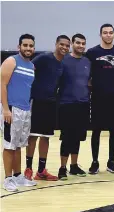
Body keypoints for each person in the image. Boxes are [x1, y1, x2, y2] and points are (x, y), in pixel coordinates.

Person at [24, 35, 70, 181]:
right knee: (33, 136)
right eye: (61, 44)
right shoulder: (44, 58)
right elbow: (29, 70)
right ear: (56, 44)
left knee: (46, 137)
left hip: (51, 104)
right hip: (37, 102)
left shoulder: (63, 64)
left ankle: (41, 170)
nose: (64, 47)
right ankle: (28, 169)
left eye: (67, 46)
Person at [85, 24, 114, 174]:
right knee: (96, 131)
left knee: (113, 131)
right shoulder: (91, 52)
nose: (108, 35)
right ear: (100, 34)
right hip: (97, 98)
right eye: (105, 33)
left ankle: (111, 161)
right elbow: (87, 75)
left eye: (110, 33)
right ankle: (95, 161)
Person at [1, 34, 37, 192]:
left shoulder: (31, 66)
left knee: (19, 145)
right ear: (19, 47)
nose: (28, 48)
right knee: (10, 145)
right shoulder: (11, 61)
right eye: (25, 45)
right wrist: (6, 109)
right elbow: (2, 85)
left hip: (25, 110)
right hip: (12, 109)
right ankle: (8, 179)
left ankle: (17, 176)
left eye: (31, 46)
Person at [57, 33, 91, 180]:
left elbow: (89, 82)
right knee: (67, 137)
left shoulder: (87, 62)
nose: (81, 46)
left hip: (83, 104)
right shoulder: (63, 60)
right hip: (67, 104)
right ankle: (62, 167)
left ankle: (74, 166)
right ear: (72, 44)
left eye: (83, 43)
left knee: (77, 137)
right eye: (78, 43)